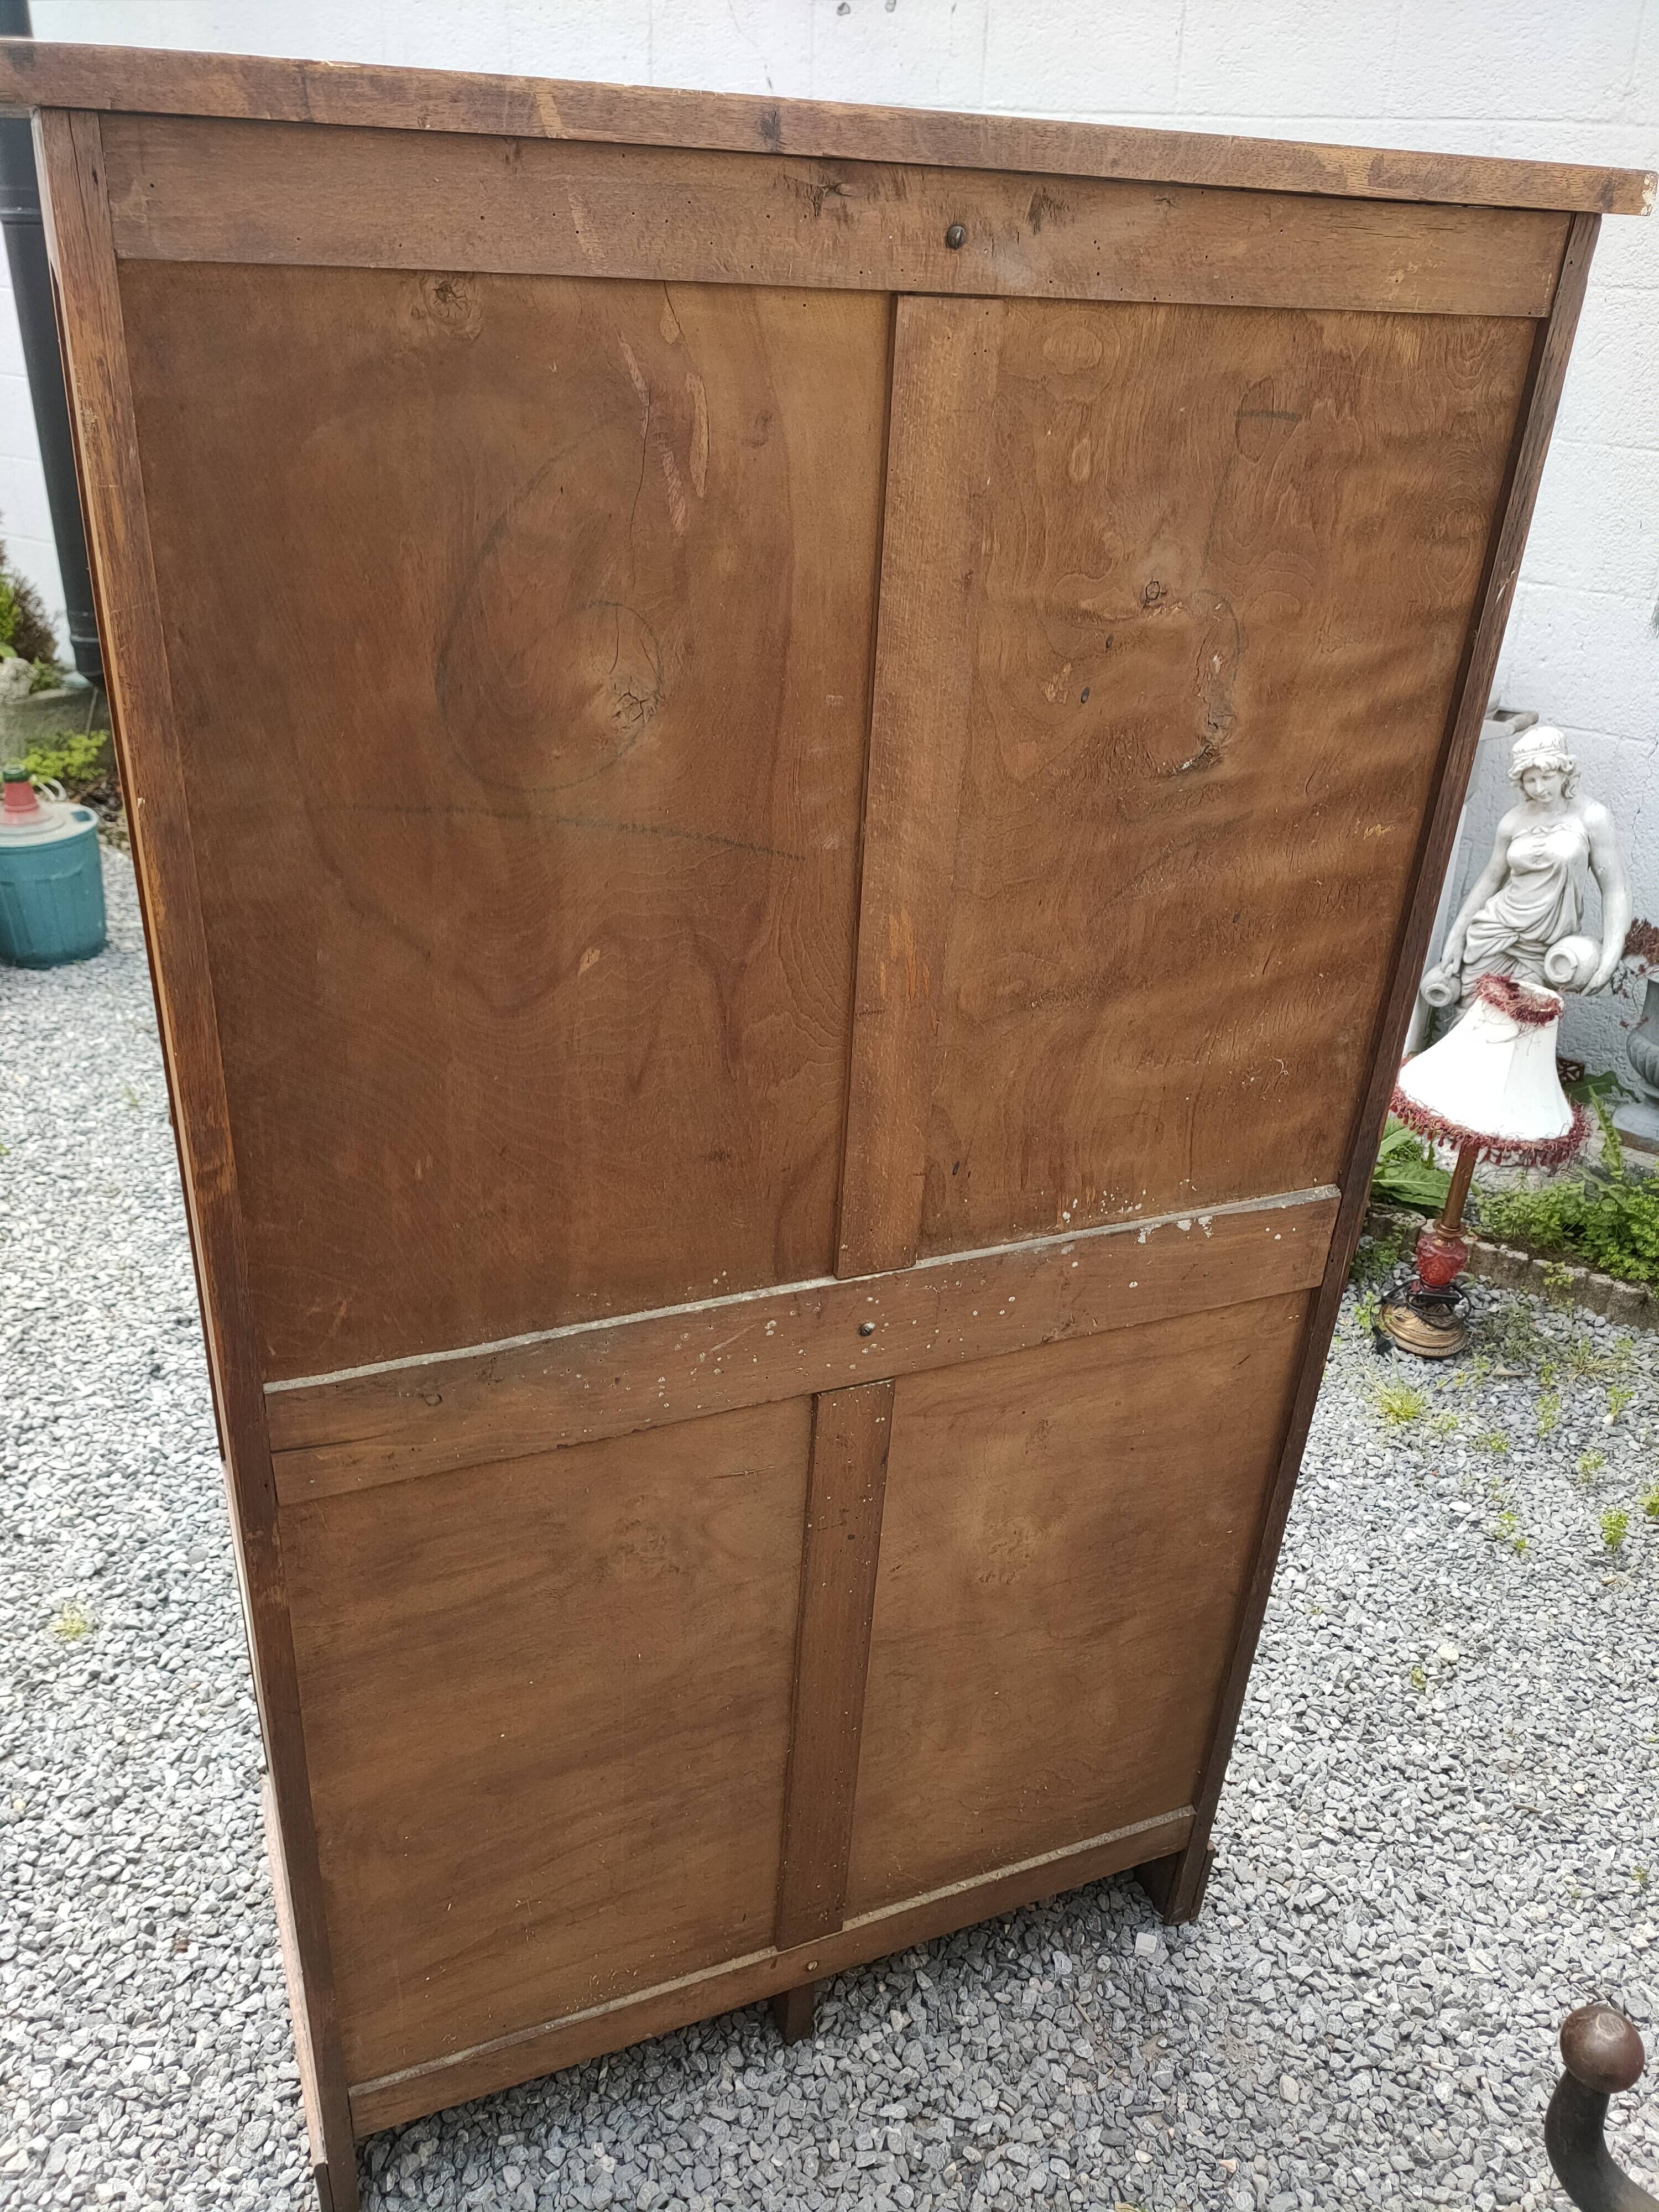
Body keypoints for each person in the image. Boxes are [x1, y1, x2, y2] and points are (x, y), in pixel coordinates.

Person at [1436, 726, 1629, 1003]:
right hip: (1492, 933)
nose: (1540, 789)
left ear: (1565, 772)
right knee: (1474, 1016)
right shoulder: (1512, 821)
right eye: (1530, 780)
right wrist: (1456, 936)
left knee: (1525, 1025)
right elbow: (1491, 880)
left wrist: (1611, 956)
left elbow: (1615, 889)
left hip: (1545, 948)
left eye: (1547, 777)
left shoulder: (1592, 819)